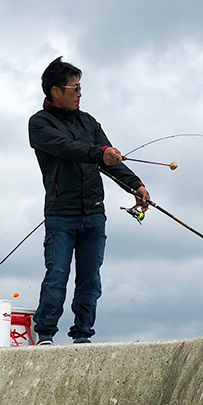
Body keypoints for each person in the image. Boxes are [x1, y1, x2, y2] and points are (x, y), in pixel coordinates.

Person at [28, 57, 150, 345]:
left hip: (94, 213)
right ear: (56, 92)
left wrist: (136, 185)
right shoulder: (39, 123)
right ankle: (45, 333)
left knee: (90, 280)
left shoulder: (90, 122)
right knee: (57, 275)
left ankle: (82, 336)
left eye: (81, 88)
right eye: (76, 88)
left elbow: (110, 161)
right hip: (60, 214)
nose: (80, 93)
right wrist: (100, 153)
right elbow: (67, 148)